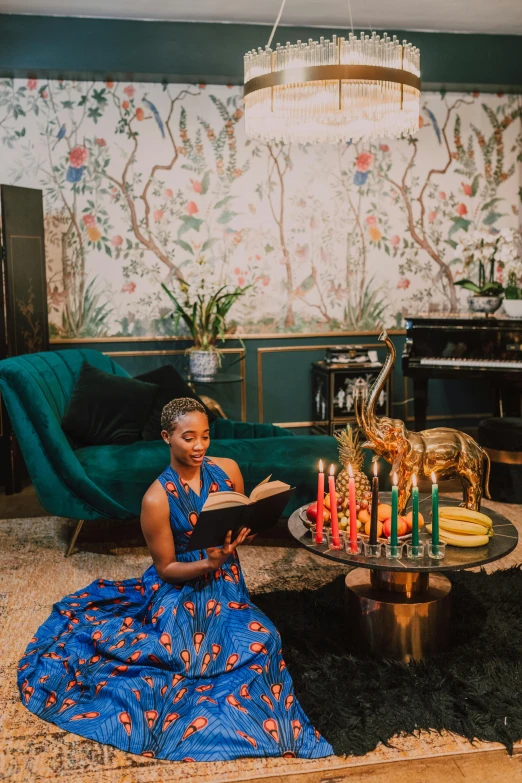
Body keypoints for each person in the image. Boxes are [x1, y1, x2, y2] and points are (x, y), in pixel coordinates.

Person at [18, 398, 333, 761]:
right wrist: (208, 564)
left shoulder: (228, 470)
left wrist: (245, 532)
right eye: (188, 438)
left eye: (205, 436)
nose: (199, 446)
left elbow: (238, 518)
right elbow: (166, 568)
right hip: (181, 585)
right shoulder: (155, 499)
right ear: (167, 437)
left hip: (225, 578)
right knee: (186, 658)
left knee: (265, 639)